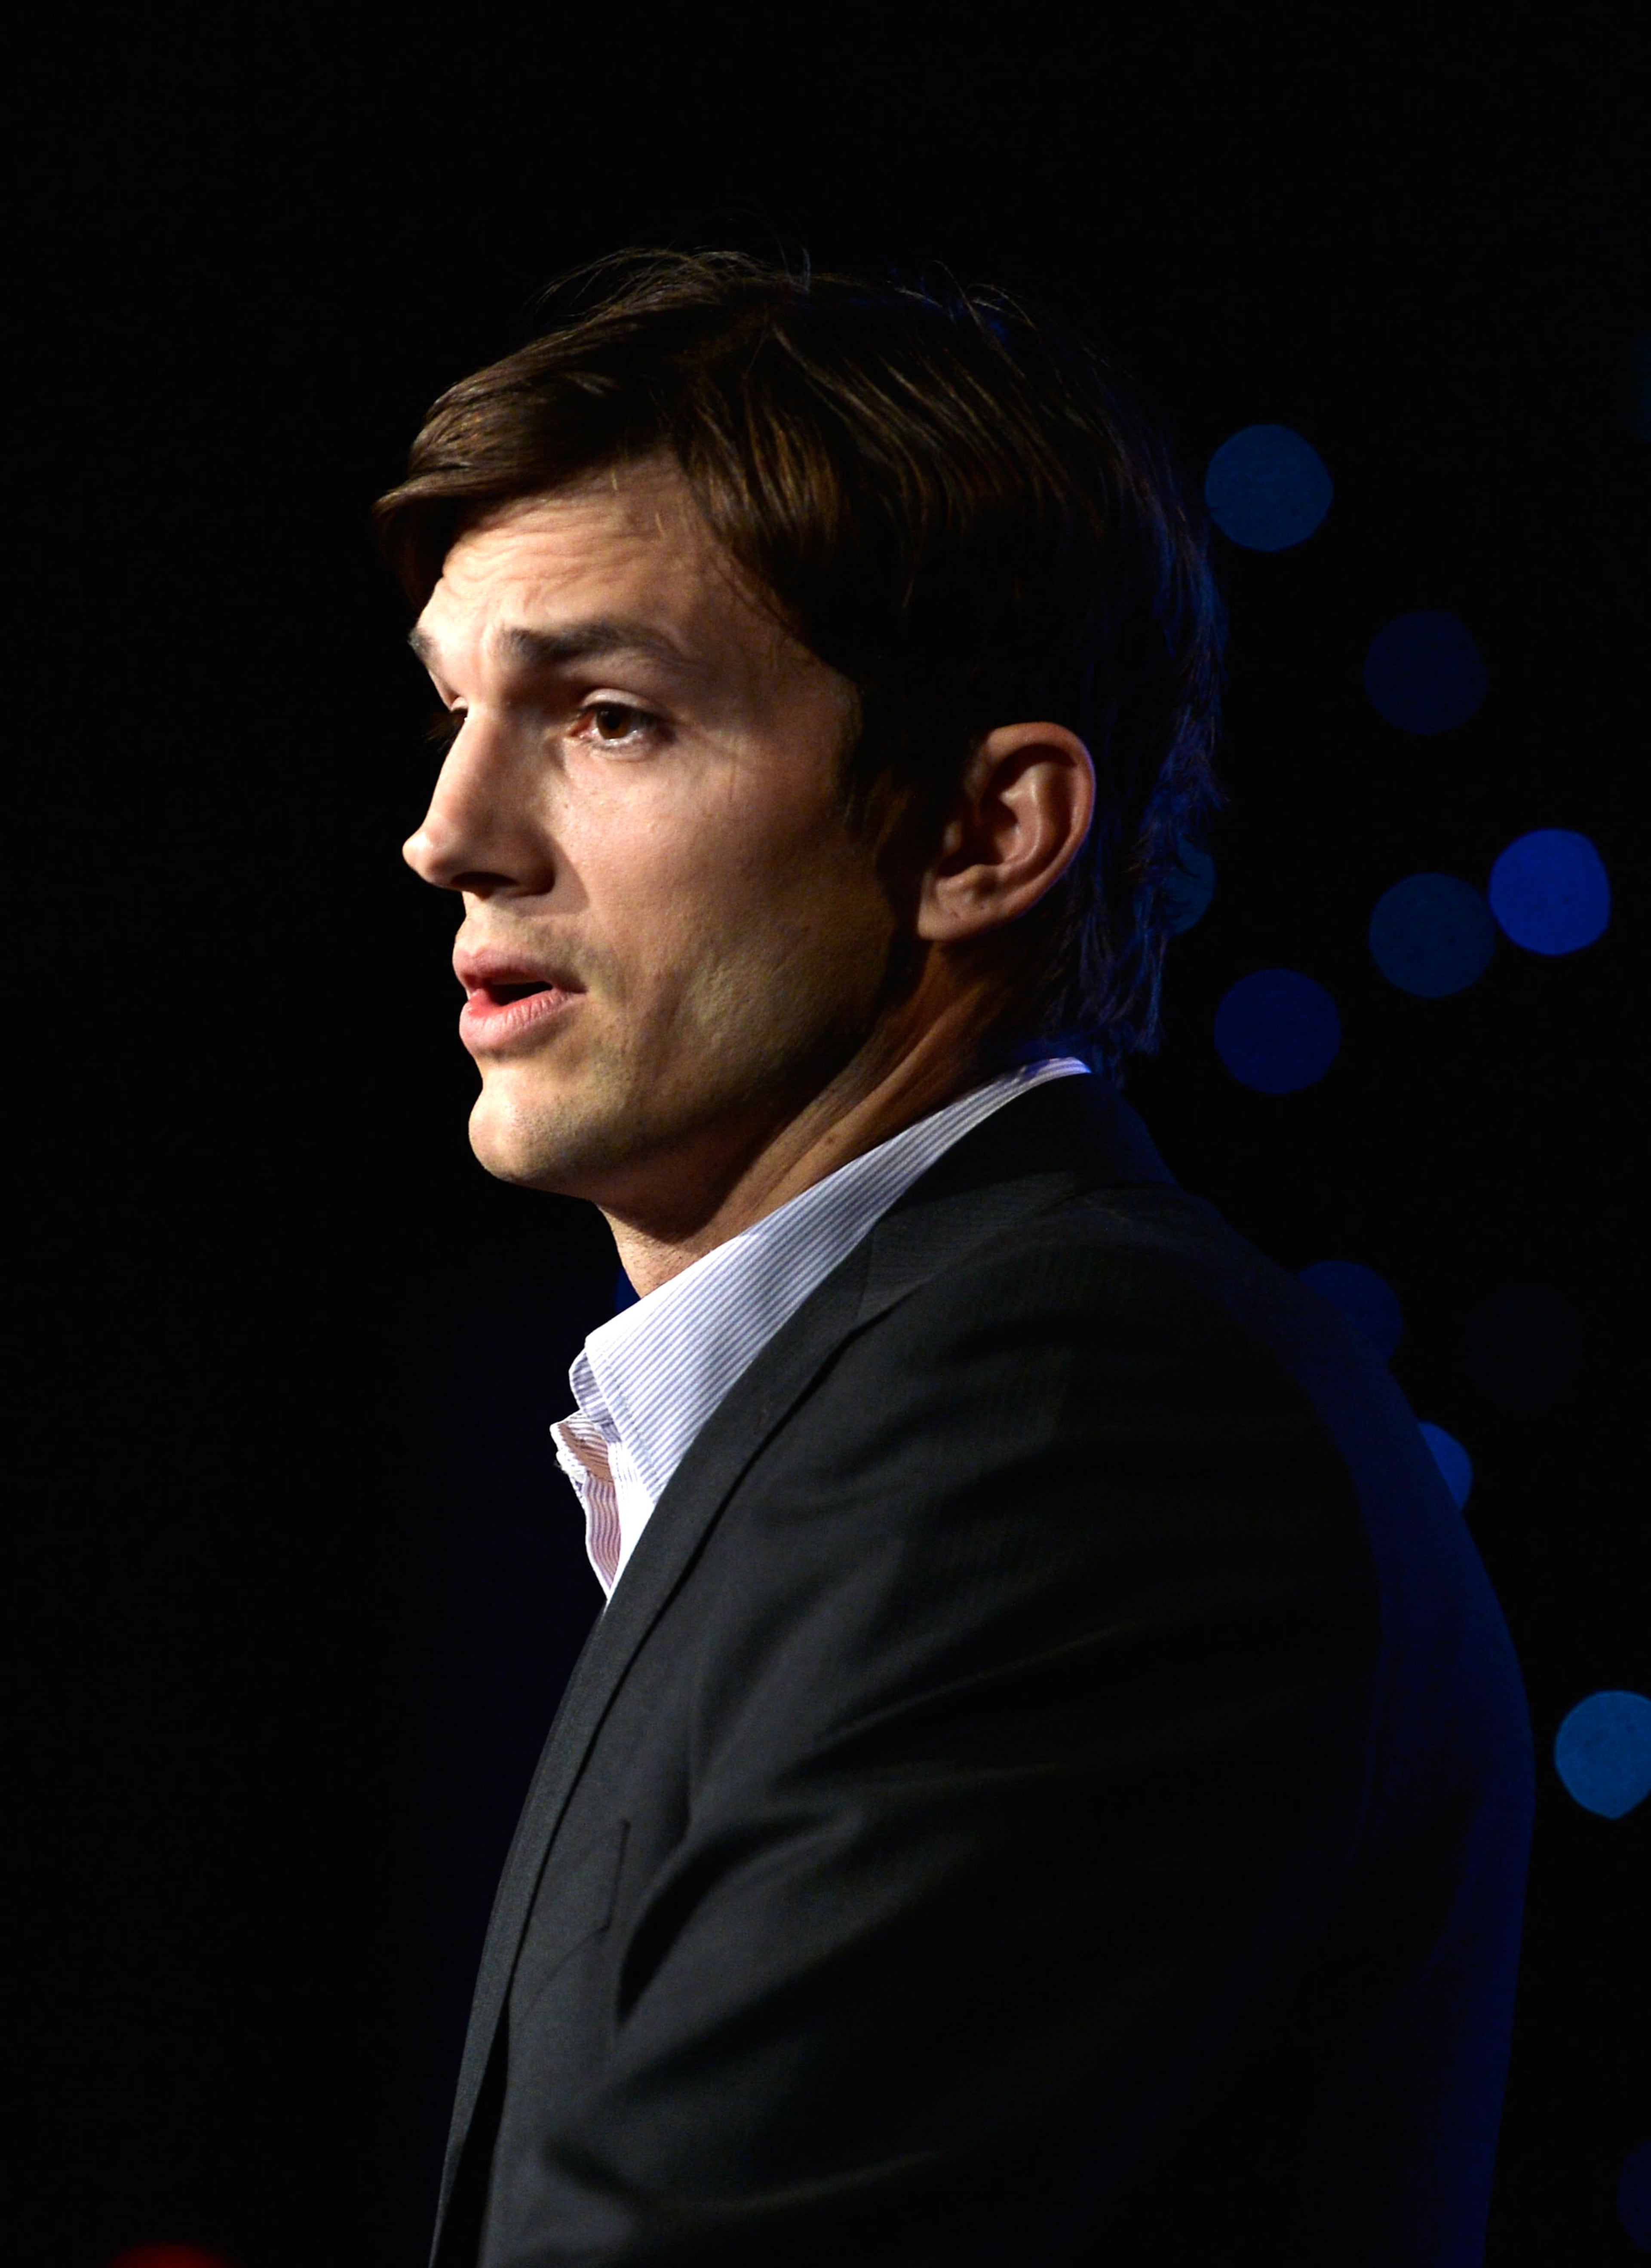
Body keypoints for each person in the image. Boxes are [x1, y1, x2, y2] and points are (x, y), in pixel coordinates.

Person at [377, 250, 1533, 2267]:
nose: (450, 829)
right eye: (462, 710)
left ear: (990, 831)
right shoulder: (900, 1397)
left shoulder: (1076, 1413)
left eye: (614, 717)